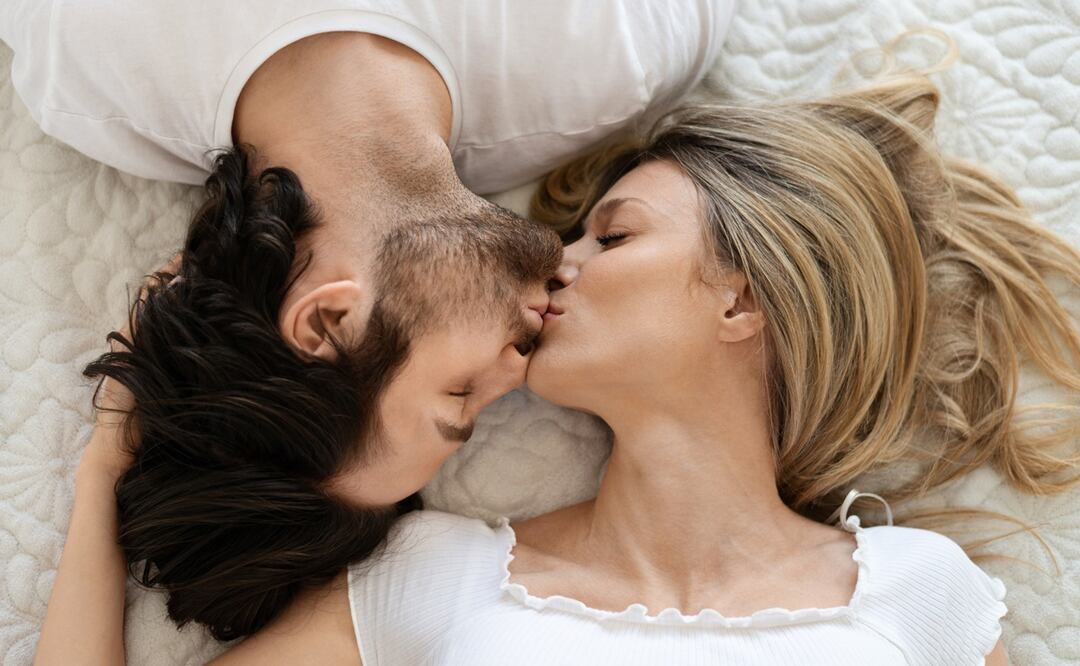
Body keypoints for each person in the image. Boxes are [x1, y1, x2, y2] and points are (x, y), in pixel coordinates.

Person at [48, 71, 1080, 664]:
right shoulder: (437, 578)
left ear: (743, 297)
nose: (555, 263)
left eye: (613, 237)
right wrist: (108, 461)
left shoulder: (920, 598)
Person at [8, 2, 736, 660]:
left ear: (327, 318)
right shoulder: (619, 52)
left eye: (458, 395)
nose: (520, 372)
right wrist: (103, 464)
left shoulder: (80, 62)